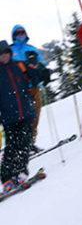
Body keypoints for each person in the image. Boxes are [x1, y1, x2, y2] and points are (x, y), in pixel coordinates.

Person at [0, 40, 44, 193]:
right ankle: (6, 177)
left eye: (6, 53)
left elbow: (35, 77)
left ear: (9, 53)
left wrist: (40, 70)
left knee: (25, 143)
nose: (4, 56)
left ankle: (21, 172)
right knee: (12, 147)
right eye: (1, 54)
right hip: (8, 116)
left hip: (25, 113)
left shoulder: (19, 65)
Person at [10, 25, 50, 154]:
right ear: (14, 35)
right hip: (19, 89)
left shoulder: (31, 49)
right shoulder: (10, 50)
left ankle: (31, 142)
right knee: (24, 116)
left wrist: (44, 72)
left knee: (35, 114)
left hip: (34, 86)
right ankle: (22, 144)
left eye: (22, 32)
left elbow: (41, 63)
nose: (20, 34)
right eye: (18, 33)